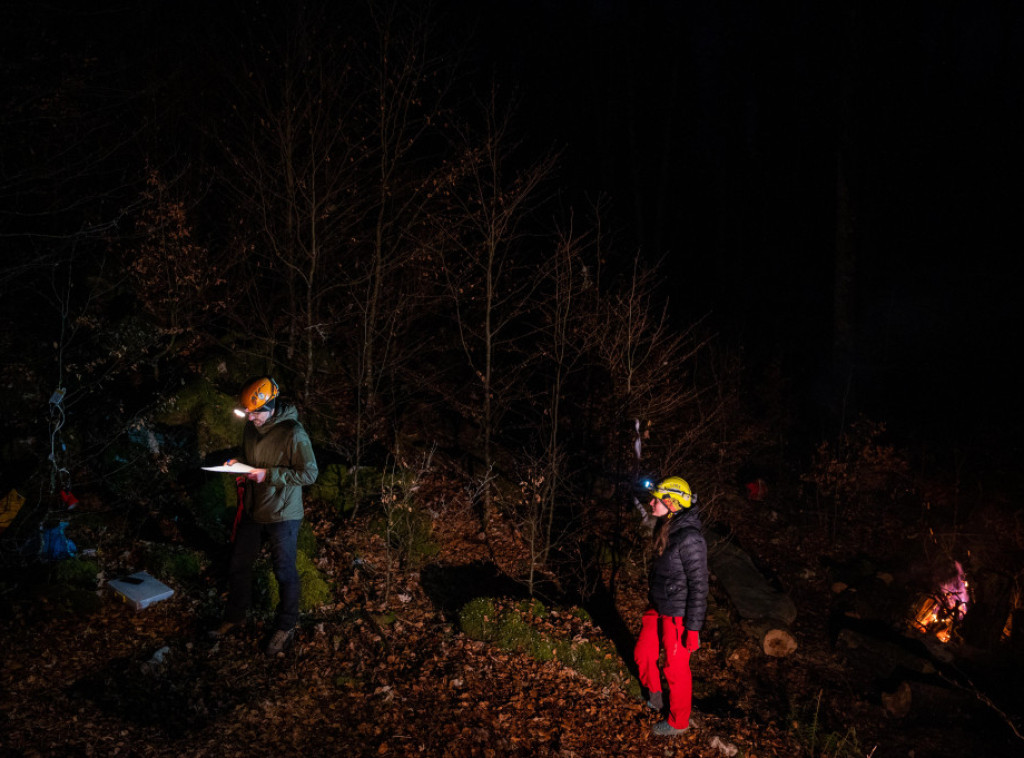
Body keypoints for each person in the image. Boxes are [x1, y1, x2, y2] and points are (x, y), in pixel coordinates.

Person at [210, 376, 318, 656]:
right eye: (248, 413)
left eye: (256, 412)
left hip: (283, 514)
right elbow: (252, 459)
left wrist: (268, 475)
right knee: (239, 564)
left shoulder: (293, 432)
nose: (251, 418)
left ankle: (286, 626)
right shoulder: (251, 428)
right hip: (253, 509)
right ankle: (234, 616)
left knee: (283, 570)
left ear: (271, 406)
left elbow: (309, 473)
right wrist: (237, 463)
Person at [634, 476, 709, 736]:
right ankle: (656, 698)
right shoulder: (668, 527)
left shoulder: (690, 538)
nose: (651, 502)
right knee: (643, 653)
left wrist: (693, 628)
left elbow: (700, 585)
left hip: (677, 614)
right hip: (657, 606)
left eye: (657, 499)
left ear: (673, 504)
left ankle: (679, 722)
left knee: (675, 669)